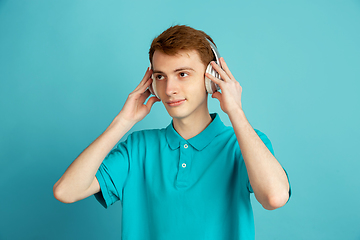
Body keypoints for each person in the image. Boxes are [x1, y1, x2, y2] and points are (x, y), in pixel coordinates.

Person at [53, 25, 291, 240]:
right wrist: (122, 122)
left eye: (182, 74)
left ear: (212, 80)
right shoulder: (138, 147)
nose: (170, 89)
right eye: (160, 76)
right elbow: (66, 191)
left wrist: (235, 111)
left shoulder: (244, 144)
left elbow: (275, 197)